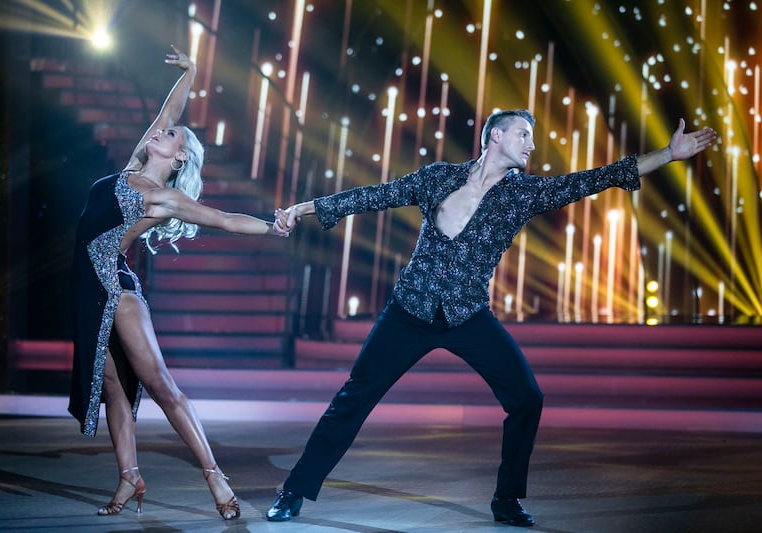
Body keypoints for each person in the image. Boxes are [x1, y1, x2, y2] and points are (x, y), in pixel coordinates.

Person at [266, 109, 716, 527]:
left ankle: (507, 498)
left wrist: (667, 155)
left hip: (468, 316)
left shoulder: (522, 194)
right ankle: (294, 492)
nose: (530, 146)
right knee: (353, 399)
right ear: (495, 136)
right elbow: (373, 196)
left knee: (527, 398)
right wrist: (304, 209)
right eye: (524, 135)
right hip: (410, 310)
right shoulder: (437, 178)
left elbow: (596, 179)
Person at [68, 45, 289, 520]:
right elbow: (169, 110)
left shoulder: (162, 198)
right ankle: (130, 477)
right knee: (112, 389)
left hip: (116, 289)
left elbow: (226, 220)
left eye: (169, 135)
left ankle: (215, 476)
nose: (159, 132)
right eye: (160, 131)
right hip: (86, 290)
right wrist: (190, 71)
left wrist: (274, 225)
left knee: (162, 386)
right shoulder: (131, 169)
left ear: (179, 154)